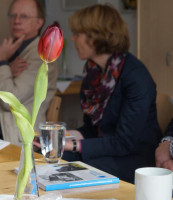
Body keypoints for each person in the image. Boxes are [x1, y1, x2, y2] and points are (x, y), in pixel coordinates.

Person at [61, 4, 162, 183]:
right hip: (109, 152)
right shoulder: (93, 71)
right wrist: (65, 135)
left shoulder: (135, 76)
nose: (73, 38)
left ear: (96, 36)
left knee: (67, 163)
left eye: (77, 33)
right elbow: (92, 130)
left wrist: (74, 145)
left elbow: (124, 142)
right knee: (52, 154)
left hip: (134, 159)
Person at [0, 0, 58, 146]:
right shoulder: (1, 50)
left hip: (10, 139)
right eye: (13, 15)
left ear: (39, 23)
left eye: (24, 16)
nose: (16, 21)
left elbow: (10, 101)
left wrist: (1, 63)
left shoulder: (42, 55)